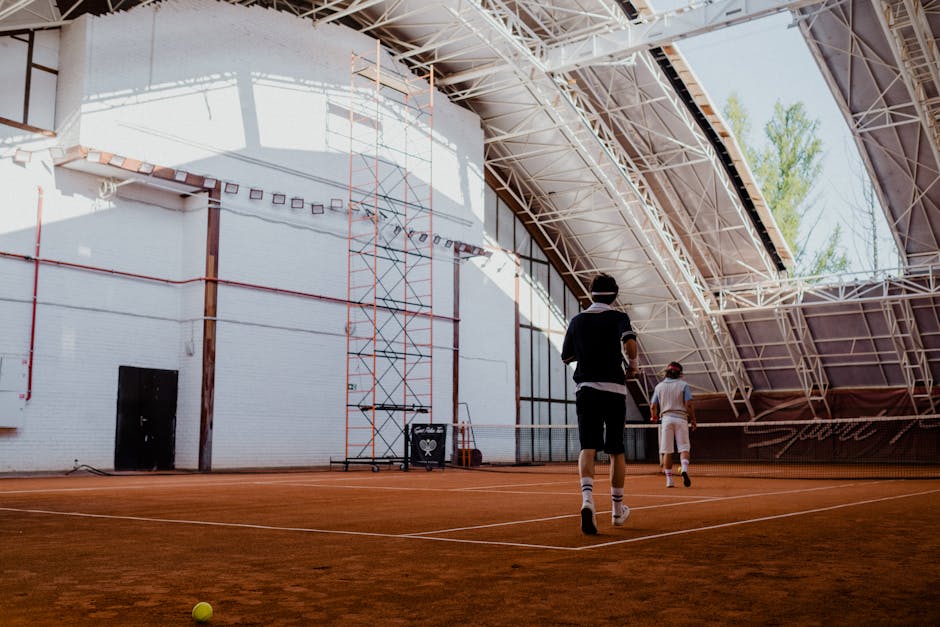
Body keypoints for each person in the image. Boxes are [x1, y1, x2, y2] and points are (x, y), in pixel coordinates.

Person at [561, 274, 639, 535]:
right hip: (614, 390)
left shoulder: (578, 320)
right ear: (615, 295)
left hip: (586, 389)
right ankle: (617, 511)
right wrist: (633, 368)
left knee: (588, 447)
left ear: (591, 293)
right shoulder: (619, 318)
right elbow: (630, 343)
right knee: (616, 450)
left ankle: (587, 501)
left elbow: (567, 356)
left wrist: (587, 354)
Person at [650, 361, 696, 488]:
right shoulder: (684, 385)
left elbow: (653, 405)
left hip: (666, 419)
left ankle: (669, 480)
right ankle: (684, 469)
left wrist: (654, 416)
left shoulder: (659, 387)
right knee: (684, 448)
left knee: (667, 451)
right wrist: (693, 419)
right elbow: (689, 404)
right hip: (681, 418)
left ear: (667, 372)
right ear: (679, 373)